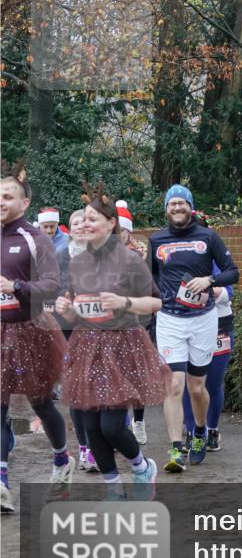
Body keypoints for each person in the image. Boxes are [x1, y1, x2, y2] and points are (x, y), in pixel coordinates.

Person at [55, 182, 169, 498]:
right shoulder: (77, 262)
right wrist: (68, 308)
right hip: (87, 347)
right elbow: (78, 310)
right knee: (91, 428)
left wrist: (125, 302)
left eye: (94, 219)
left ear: (111, 224)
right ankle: (114, 490)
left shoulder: (130, 259)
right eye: (83, 219)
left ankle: (142, 466)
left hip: (123, 347)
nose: (87, 224)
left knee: (111, 426)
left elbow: (157, 303)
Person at [1, 159, 74, 514]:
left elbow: (50, 285)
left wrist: (15, 286)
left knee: (41, 403)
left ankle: (62, 461)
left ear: (24, 202)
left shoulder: (35, 237)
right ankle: (1, 484)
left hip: (31, 330)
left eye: (8, 196)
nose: (1, 201)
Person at [149, 185, 239, 472]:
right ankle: (176, 448)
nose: (177, 208)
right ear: (166, 208)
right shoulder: (156, 240)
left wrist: (209, 282)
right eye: (172, 204)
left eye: (181, 203)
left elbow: (232, 272)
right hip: (170, 320)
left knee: (196, 387)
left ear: (190, 207)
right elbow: (150, 279)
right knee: (173, 385)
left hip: (203, 320)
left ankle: (200, 431)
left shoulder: (208, 236)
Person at [181, 210, 232, 453]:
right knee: (190, 383)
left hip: (220, 324)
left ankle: (212, 429)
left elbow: (229, 290)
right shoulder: (178, 256)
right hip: (187, 324)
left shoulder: (216, 253)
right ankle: (191, 430)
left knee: (213, 382)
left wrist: (210, 288)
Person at [54, 208, 97, 472]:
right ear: (70, 228)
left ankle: (95, 444)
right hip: (68, 330)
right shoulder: (60, 255)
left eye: (85, 222)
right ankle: (85, 448)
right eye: (75, 223)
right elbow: (53, 290)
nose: (81, 226)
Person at [117, 200, 149, 444]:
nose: (119, 234)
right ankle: (121, 424)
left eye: (123, 229)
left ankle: (138, 422)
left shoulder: (142, 252)